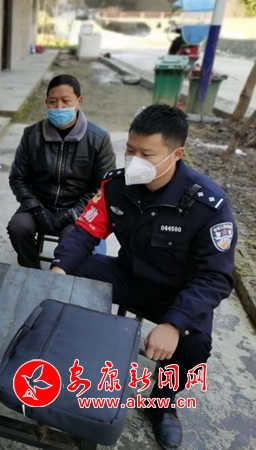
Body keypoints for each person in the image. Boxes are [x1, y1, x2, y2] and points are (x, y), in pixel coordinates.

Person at [51, 105, 237, 450]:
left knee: (195, 344)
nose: (134, 160)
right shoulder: (116, 185)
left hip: (176, 293)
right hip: (128, 274)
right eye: (130, 150)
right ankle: (69, 363)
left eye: (146, 154)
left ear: (176, 154)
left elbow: (214, 277)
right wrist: (59, 269)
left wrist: (174, 323)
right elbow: (86, 230)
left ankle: (162, 404)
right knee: (66, 276)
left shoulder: (208, 204)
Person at [8, 74, 115, 269]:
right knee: (18, 227)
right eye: (53, 102)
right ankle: (31, 270)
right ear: (46, 103)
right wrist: (36, 207)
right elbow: (18, 178)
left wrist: (73, 212)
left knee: (72, 239)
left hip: (77, 210)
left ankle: (59, 276)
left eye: (66, 101)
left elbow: (103, 187)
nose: (59, 107)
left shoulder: (98, 138)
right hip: (39, 205)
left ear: (79, 101)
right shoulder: (31, 135)